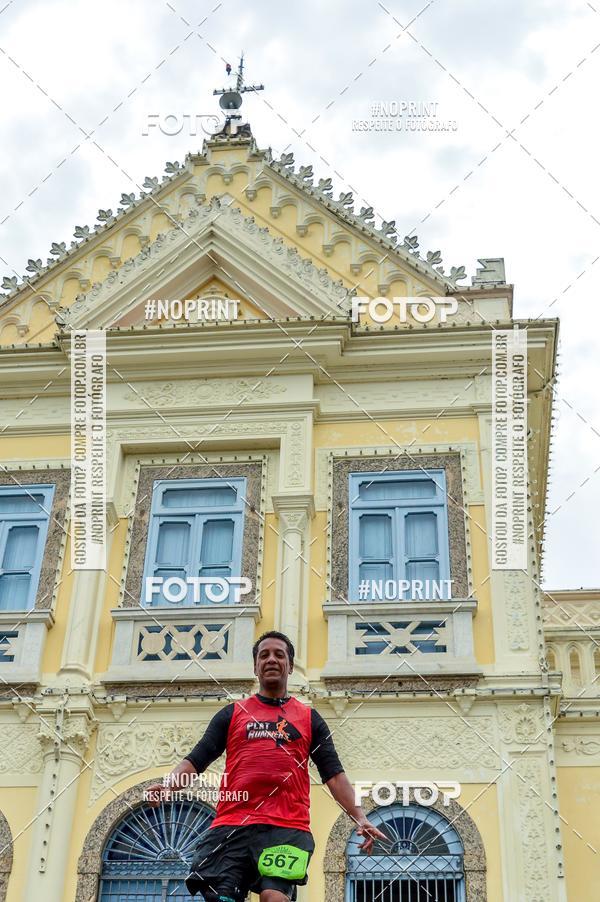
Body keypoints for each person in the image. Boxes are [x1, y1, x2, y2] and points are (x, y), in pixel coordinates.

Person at [146, 630, 387, 901]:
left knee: (274, 896)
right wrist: (168, 787)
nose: (271, 659)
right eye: (264, 655)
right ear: (255, 666)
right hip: (233, 825)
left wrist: (360, 816)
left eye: (279, 655)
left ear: (290, 666)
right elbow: (197, 759)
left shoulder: (310, 719)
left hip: (286, 827)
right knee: (219, 897)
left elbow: (334, 774)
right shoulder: (232, 714)